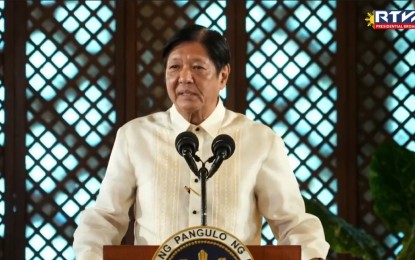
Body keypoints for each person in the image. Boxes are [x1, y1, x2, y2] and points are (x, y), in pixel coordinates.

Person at [73, 24, 330, 260]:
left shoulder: (259, 140)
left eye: (198, 67)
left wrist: (312, 255)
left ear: (223, 76)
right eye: (174, 67)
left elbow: (292, 222)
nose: (184, 77)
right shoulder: (135, 136)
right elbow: (106, 218)